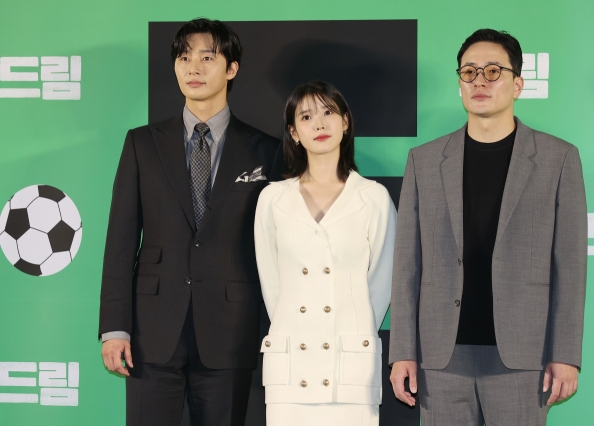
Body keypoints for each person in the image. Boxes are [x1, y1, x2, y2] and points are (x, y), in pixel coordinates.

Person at [389, 29, 587, 425]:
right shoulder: (424, 162)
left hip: (521, 357)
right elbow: (407, 265)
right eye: (469, 72)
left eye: (493, 71)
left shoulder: (558, 159)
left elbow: (570, 265)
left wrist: (564, 354)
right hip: (441, 358)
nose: (479, 80)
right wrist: (402, 351)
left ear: (517, 85)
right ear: (459, 83)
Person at [99, 18, 283, 426]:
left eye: (207, 57)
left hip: (232, 328)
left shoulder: (266, 150)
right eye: (184, 57)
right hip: (152, 330)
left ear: (231, 68)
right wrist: (115, 328)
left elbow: (278, 248)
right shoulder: (142, 144)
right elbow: (120, 242)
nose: (193, 68)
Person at [254, 81, 396, 425]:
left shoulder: (372, 197)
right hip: (291, 365)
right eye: (306, 116)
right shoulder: (272, 199)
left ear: (345, 122)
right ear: (294, 133)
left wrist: (354, 328)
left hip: (351, 365)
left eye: (328, 112)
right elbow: (272, 285)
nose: (319, 124)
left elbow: (382, 281)